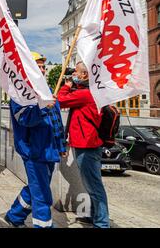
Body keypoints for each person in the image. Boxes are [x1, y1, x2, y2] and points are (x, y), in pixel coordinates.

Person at [4, 52, 67, 228]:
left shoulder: (47, 90)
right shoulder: (19, 93)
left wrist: (60, 145)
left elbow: (56, 123)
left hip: (49, 149)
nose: (42, 69)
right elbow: (25, 119)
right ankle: (43, 225)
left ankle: (14, 215)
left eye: (43, 66)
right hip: (33, 150)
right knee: (42, 194)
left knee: (36, 188)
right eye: (37, 66)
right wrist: (43, 107)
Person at [57, 61, 110, 228]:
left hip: (87, 145)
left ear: (84, 75)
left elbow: (59, 100)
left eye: (75, 73)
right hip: (86, 143)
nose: (73, 76)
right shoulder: (88, 92)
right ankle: (95, 216)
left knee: (94, 185)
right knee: (91, 183)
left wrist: (66, 85)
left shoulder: (86, 94)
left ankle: (102, 223)